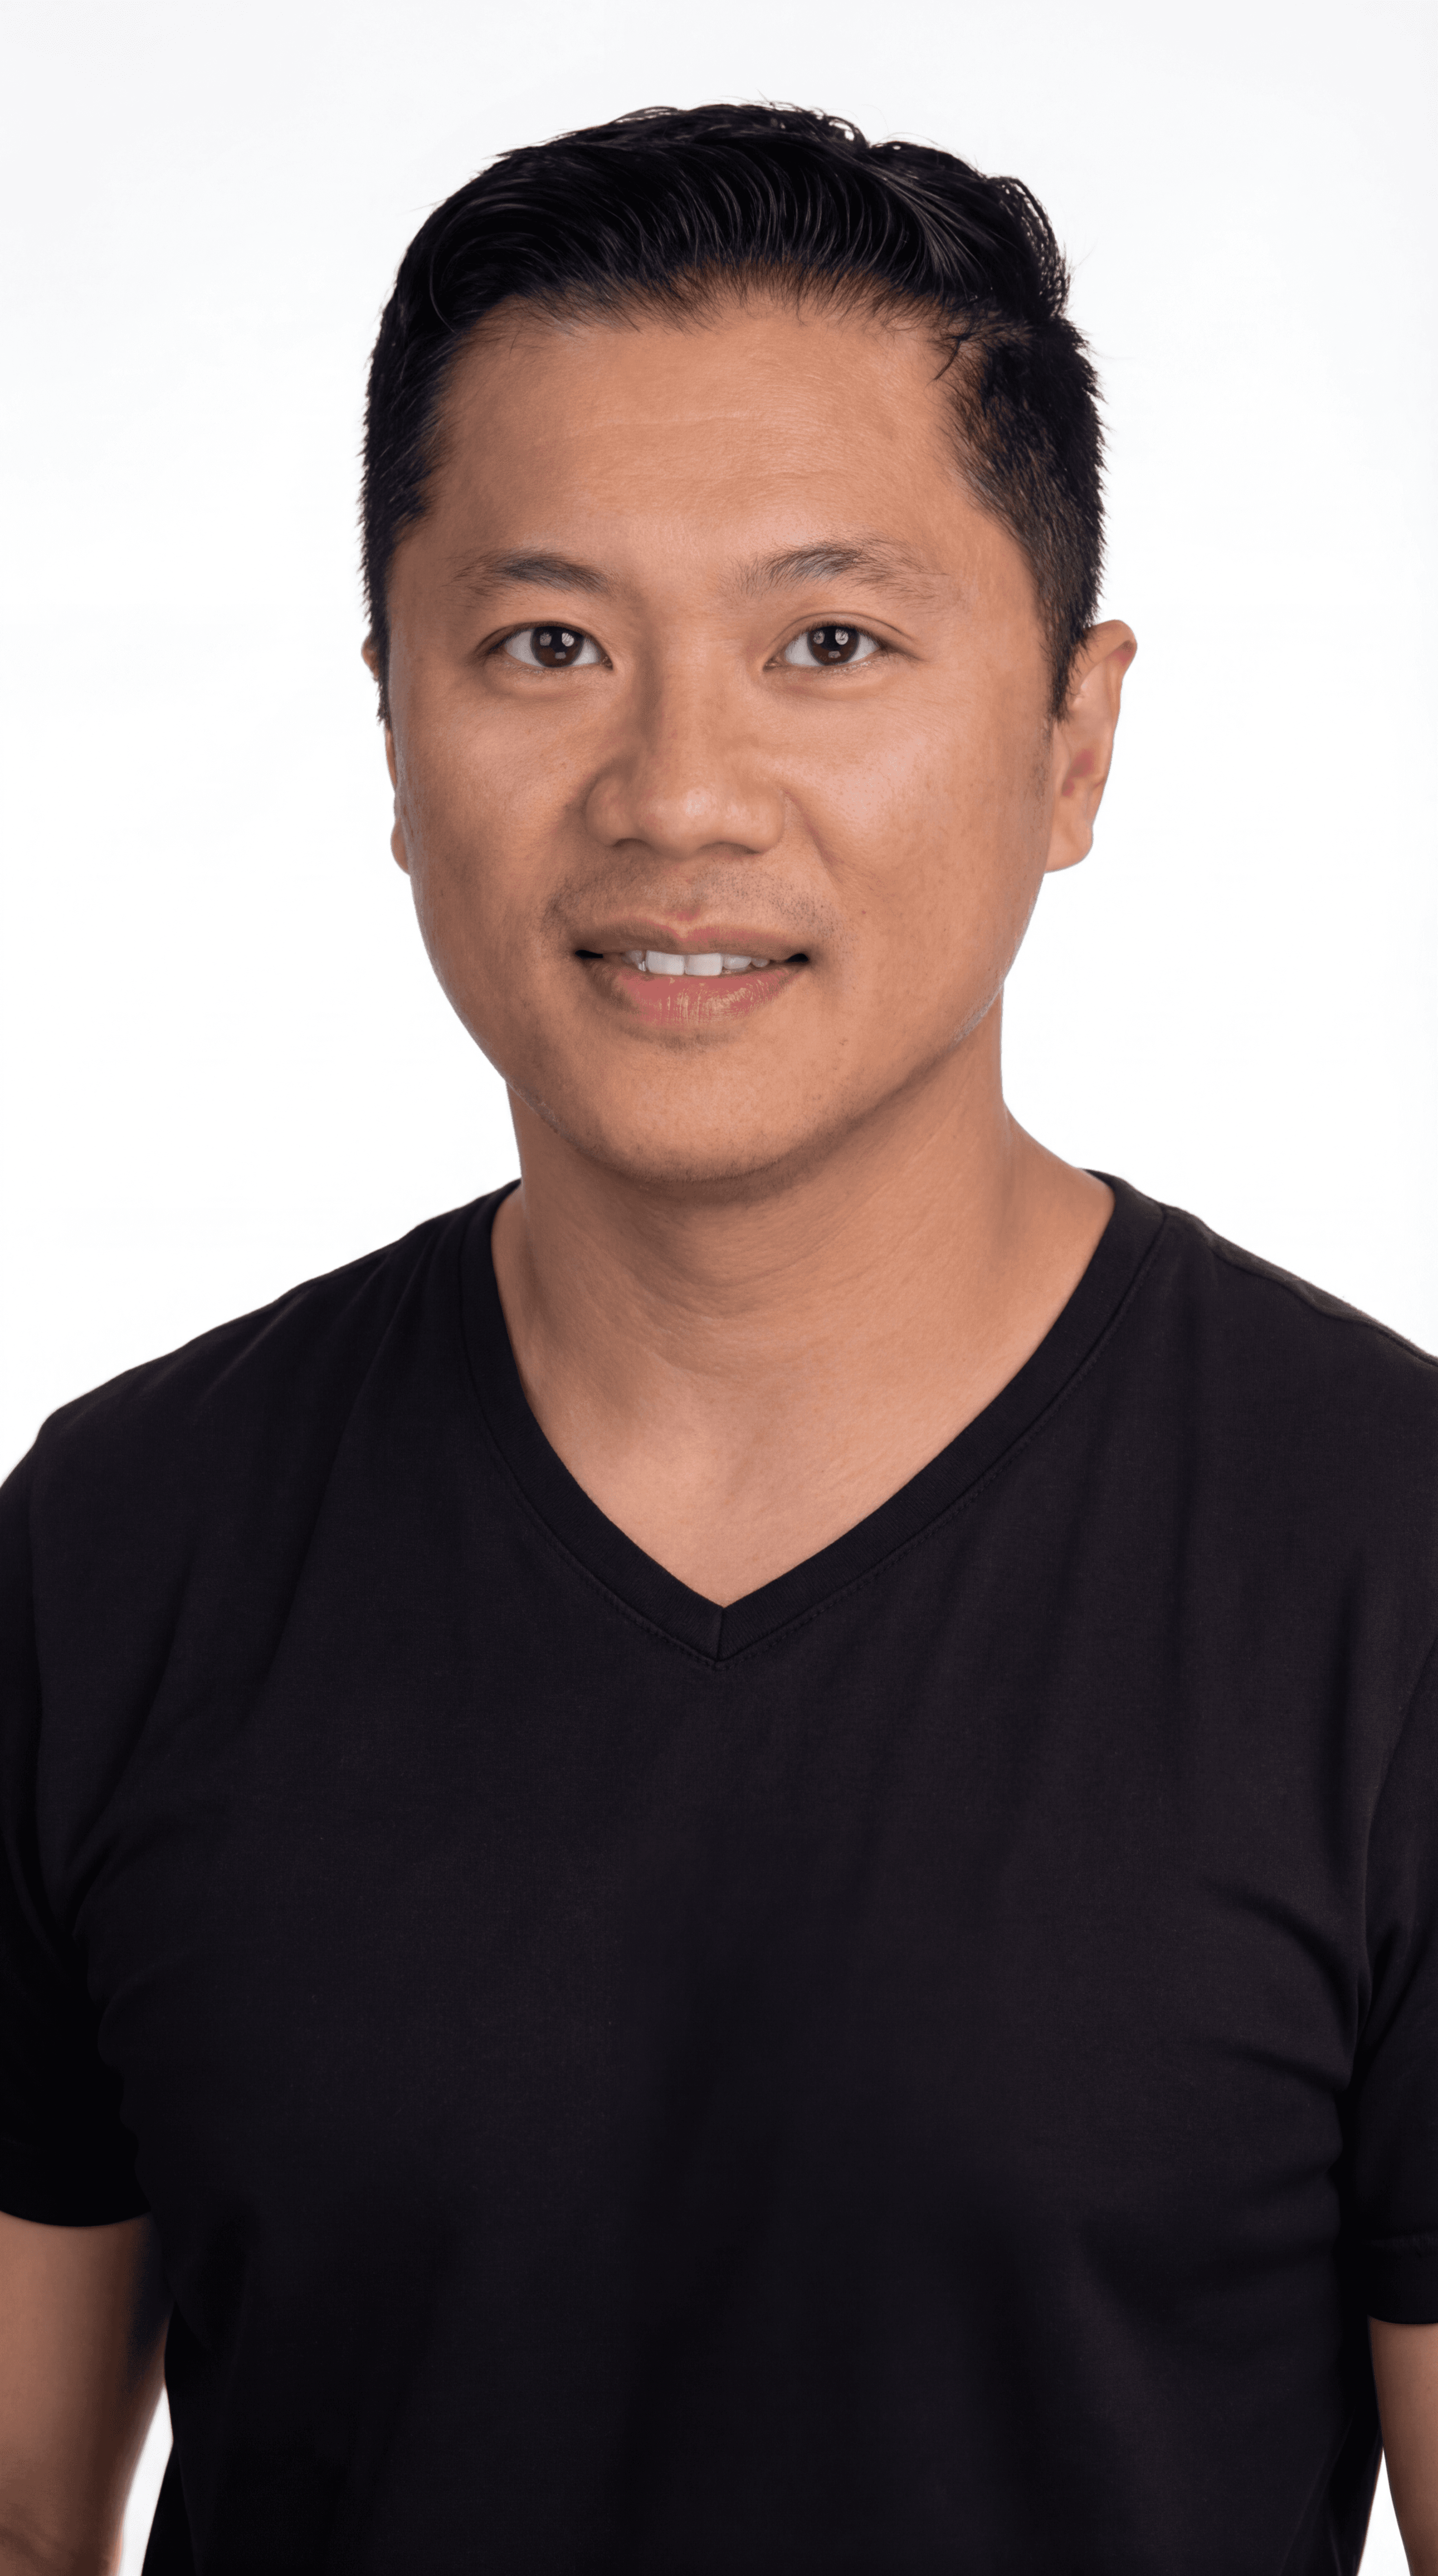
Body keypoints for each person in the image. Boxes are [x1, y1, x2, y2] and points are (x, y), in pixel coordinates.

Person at [0, 101, 1434, 2576]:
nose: (677, 792)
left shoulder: (1388, 1575)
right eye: (547, 644)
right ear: (390, 723)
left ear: (1076, 740)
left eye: (828, 643)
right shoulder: (121, 1546)